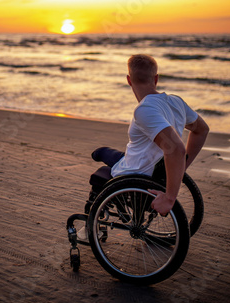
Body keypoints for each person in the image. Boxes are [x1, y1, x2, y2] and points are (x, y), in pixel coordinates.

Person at [87, 54, 209, 217]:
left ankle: (92, 224)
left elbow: (175, 149)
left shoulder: (145, 109)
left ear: (129, 80)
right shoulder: (176, 102)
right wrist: (180, 168)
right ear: (156, 78)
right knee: (101, 152)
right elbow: (201, 130)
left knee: (99, 168)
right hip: (144, 163)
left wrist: (169, 197)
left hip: (135, 173)